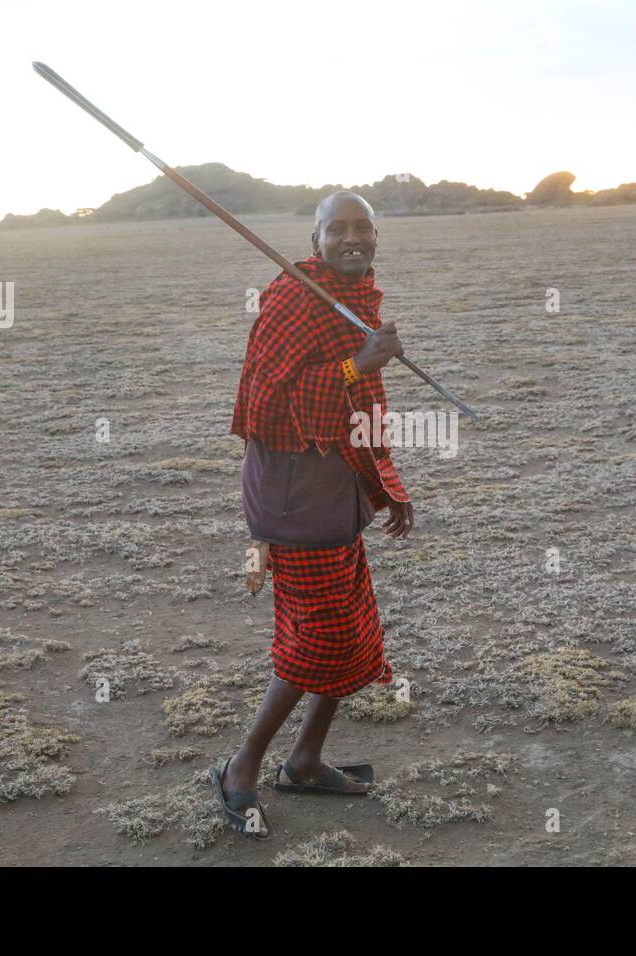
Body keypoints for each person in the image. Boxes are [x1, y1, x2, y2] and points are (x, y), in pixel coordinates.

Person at [209, 191, 414, 839]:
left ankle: (303, 760)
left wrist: (388, 484)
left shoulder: (357, 298)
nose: (352, 238)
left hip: (341, 496)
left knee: (350, 635)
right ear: (316, 236)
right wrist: (356, 364)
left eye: (363, 228)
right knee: (317, 642)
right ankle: (240, 768)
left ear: (376, 236)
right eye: (338, 229)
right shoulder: (295, 298)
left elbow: (365, 406)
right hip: (293, 503)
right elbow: (264, 404)